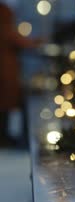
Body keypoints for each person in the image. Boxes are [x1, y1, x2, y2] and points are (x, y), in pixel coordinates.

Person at [0, 3, 41, 147]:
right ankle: (6, 137)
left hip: (7, 73)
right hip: (6, 75)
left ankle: (5, 136)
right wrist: (38, 42)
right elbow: (22, 42)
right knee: (6, 107)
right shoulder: (5, 27)